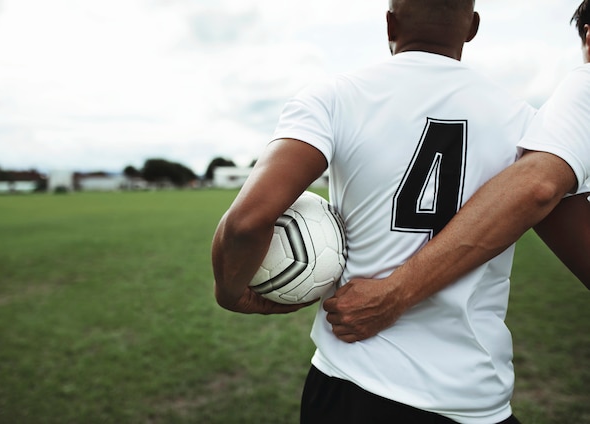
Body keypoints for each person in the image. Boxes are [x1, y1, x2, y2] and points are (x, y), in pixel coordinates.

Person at [212, 0, 585, 422]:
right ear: (473, 27)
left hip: (352, 384)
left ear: (390, 22)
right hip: (472, 397)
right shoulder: (526, 123)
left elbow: (247, 222)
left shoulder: (334, 97)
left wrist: (230, 291)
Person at [323, 0, 590, 345]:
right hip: (475, 383)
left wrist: (394, 292)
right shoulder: (519, 116)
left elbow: (538, 187)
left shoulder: (341, 94)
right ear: (472, 27)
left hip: (358, 367)